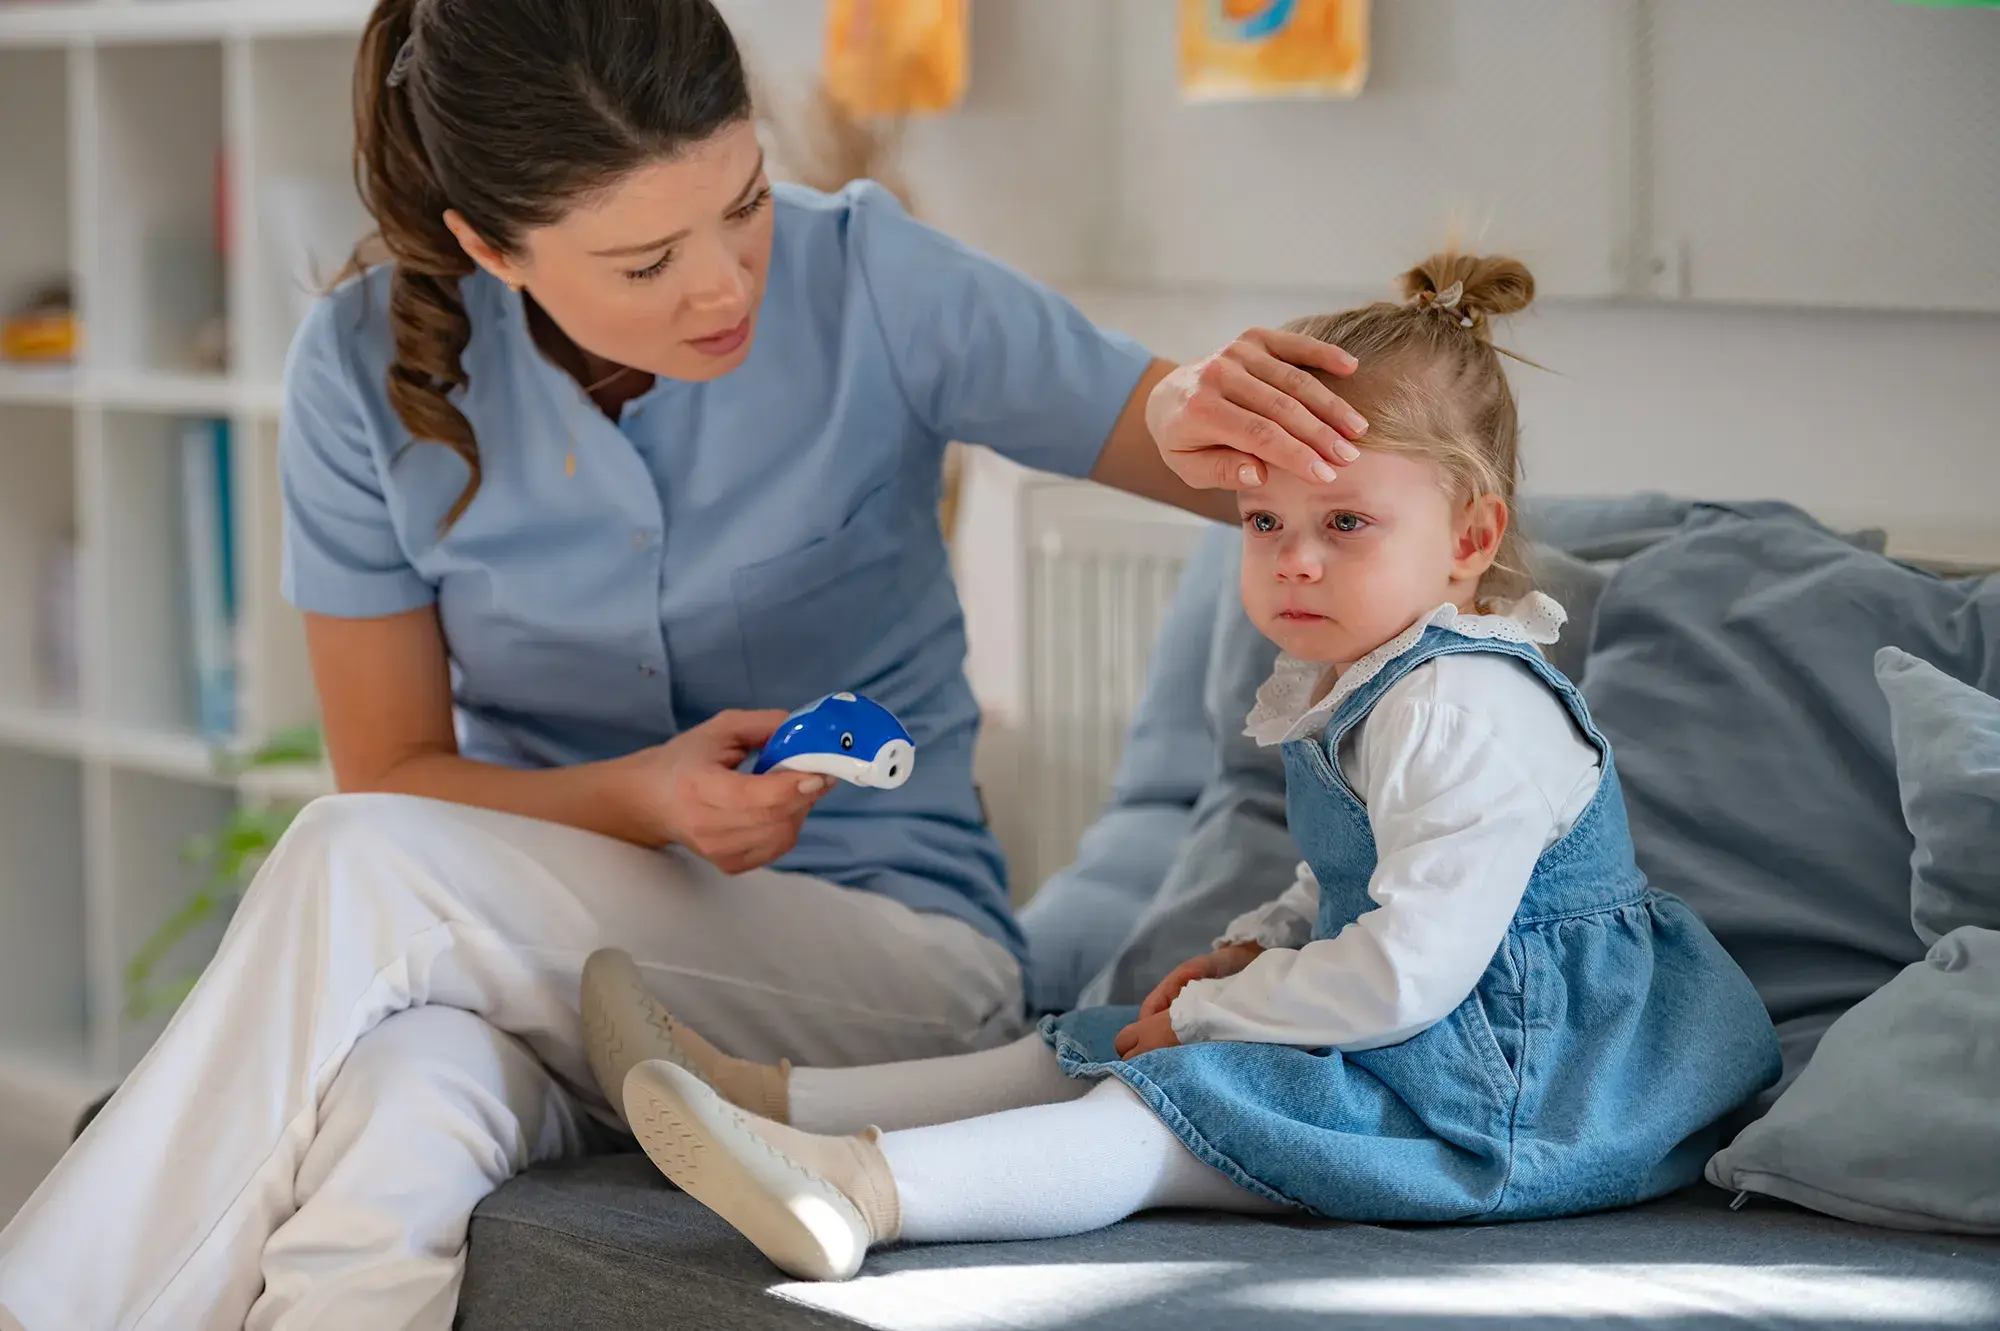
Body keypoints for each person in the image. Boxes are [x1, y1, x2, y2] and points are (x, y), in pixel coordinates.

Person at [0, 1, 1372, 1327]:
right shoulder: (360, 375)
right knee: (394, 1119)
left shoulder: (870, 278)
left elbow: (1194, 436)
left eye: (745, 203)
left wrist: (1232, 418)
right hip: (541, 975)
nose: (724, 283)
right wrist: (645, 798)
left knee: (354, 857)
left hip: (886, 963)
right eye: (647, 262)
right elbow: (399, 769)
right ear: (491, 245)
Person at [588, 252, 1786, 1283]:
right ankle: (764, 1098)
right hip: (1433, 1036)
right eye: (1265, 524)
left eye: (1345, 524)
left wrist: (1216, 1013)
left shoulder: (1464, 705)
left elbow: (1411, 968)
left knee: (1162, 1109)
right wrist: (1258, 941)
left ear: (1469, 537)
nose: (1293, 563)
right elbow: (1359, 880)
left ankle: (856, 1189)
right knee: (1087, 1033)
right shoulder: (1367, 679)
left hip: (1517, 1097)